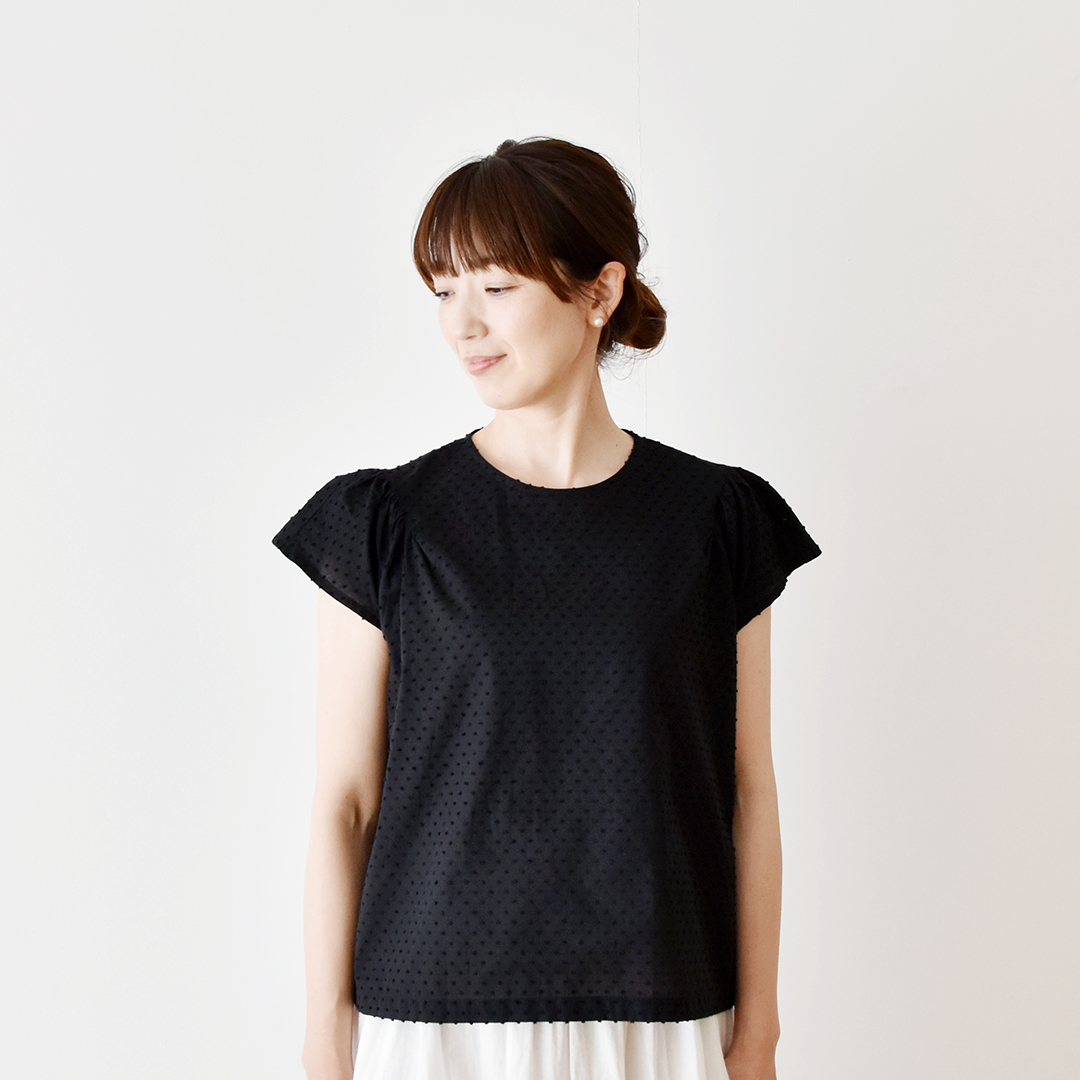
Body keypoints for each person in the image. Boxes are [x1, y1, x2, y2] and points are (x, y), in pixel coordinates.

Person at [273, 137, 821, 1080]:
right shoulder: (386, 522)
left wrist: (759, 1029)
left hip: (660, 1005)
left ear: (599, 292)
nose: (463, 324)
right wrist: (326, 1041)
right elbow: (346, 802)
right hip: (435, 1013)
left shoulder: (716, 519)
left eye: (496, 286)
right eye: (444, 290)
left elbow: (749, 791)